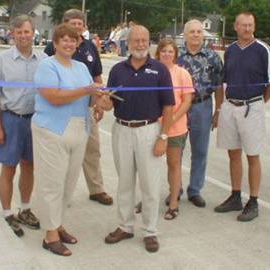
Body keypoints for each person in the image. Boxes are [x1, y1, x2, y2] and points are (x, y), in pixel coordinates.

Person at [99, 25, 175, 252]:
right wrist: (104, 103)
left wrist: (163, 136)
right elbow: (110, 102)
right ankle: (125, 226)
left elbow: (169, 106)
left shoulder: (160, 70)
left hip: (149, 131)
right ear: (128, 43)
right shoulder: (118, 70)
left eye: (144, 40)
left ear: (149, 42)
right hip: (122, 130)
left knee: (150, 185)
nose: (140, 44)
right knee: (124, 182)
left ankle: (150, 231)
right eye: (136, 41)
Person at [32, 23, 105, 256]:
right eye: (64, 39)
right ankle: (50, 235)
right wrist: (86, 90)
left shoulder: (82, 67)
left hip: (78, 129)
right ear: (55, 43)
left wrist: (99, 98)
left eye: (73, 40)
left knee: (68, 183)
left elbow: (89, 100)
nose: (69, 43)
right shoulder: (47, 66)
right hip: (52, 130)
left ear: (78, 43)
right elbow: (53, 97)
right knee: (52, 184)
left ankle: (58, 223)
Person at [44, 9, 113, 206]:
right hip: (61, 110)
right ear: (63, 25)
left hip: (87, 109)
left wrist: (99, 104)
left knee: (92, 151)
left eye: (80, 24)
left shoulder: (90, 47)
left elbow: (97, 77)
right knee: (64, 154)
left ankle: (96, 189)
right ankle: (63, 194)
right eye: (72, 23)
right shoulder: (52, 48)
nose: (77, 27)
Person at [0, 15, 45, 237]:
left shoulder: (43, 60)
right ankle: (7, 212)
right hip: (10, 119)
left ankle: (25, 208)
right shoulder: (1, 61)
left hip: (35, 121)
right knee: (9, 167)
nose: (23, 36)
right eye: (18, 32)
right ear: (13, 35)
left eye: (27, 32)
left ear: (33, 33)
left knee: (29, 165)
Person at [215, 12, 270, 221]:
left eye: (251, 25)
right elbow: (224, 81)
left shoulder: (264, 50)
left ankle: (253, 200)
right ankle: (235, 196)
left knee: (252, 155)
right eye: (243, 25)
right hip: (231, 106)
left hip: (252, 107)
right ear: (236, 26)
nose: (247, 29)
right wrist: (221, 108)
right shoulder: (230, 51)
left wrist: (258, 103)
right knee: (233, 154)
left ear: (254, 26)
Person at [135, 38, 194, 219]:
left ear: (175, 54)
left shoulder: (182, 73)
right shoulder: (151, 72)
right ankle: (147, 199)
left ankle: (174, 202)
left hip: (176, 128)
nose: (166, 54)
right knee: (149, 167)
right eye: (163, 51)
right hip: (152, 126)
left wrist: (171, 120)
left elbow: (187, 100)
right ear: (158, 53)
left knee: (173, 165)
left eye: (170, 51)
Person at [176, 19, 223, 207]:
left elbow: (219, 86)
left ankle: (195, 190)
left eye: (199, 31)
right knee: (175, 150)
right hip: (179, 107)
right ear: (185, 34)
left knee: (200, 151)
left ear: (203, 35)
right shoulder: (176, 55)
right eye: (192, 31)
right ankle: (175, 188)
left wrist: (218, 110)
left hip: (202, 106)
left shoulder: (212, 57)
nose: (196, 34)